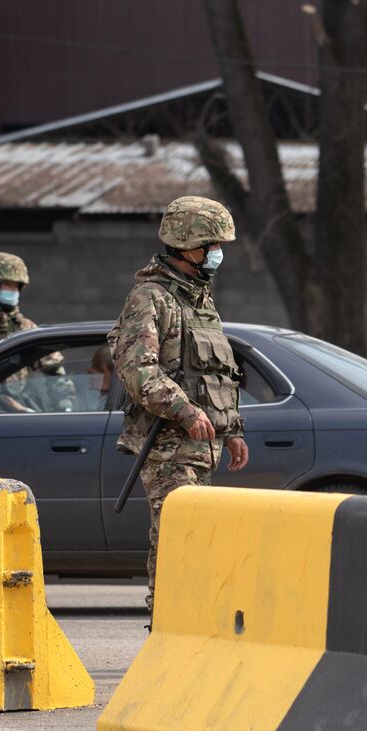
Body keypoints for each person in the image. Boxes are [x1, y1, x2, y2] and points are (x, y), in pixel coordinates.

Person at [109, 195, 249, 613]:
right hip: (168, 448)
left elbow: (219, 374)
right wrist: (185, 410)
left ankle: (188, 627)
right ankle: (165, 626)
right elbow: (138, 372)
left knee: (198, 544)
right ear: (186, 245)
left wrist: (234, 430)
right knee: (176, 541)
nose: (218, 254)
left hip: (203, 449)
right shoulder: (151, 298)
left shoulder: (199, 301)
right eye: (212, 245)